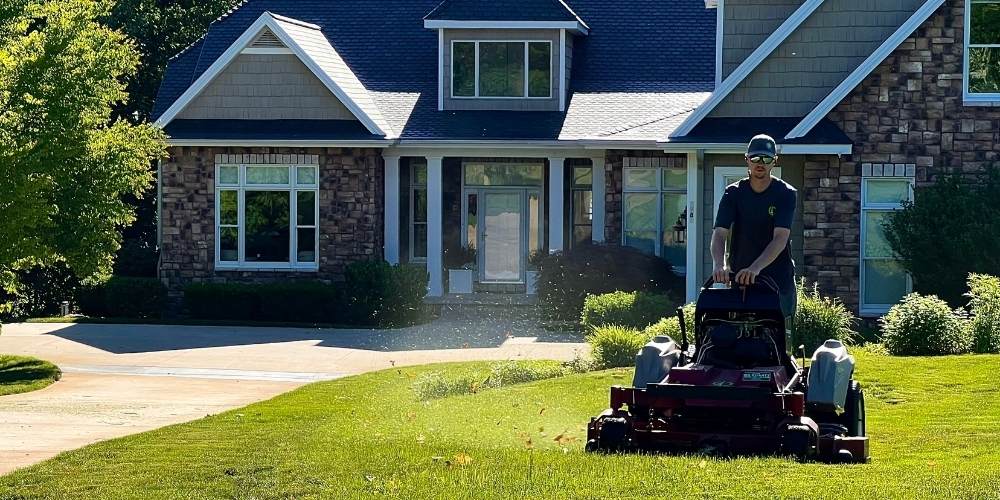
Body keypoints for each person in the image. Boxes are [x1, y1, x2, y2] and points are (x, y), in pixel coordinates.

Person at [711, 134, 798, 324]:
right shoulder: (733, 193)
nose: (760, 163)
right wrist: (720, 264)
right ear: (747, 160)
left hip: (777, 281)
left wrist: (755, 268)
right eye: (755, 158)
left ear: (774, 161)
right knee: (736, 336)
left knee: (777, 340)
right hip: (741, 279)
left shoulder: (786, 194)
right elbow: (719, 233)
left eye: (766, 159)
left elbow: (780, 238)